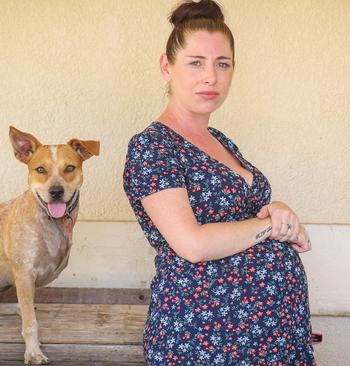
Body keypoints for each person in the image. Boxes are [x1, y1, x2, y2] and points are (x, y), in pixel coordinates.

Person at [123, 1, 316, 364]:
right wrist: (270, 227)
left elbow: (242, 213)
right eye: (196, 62)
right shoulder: (152, 146)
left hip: (268, 335)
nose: (210, 76)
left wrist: (277, 211)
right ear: (167, 67)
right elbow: (192, 244)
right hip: (206, 337)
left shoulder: (221, 141)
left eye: (222, 64)